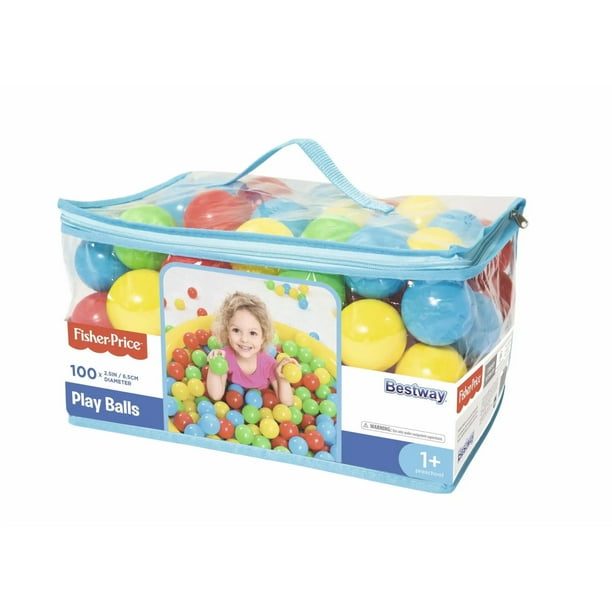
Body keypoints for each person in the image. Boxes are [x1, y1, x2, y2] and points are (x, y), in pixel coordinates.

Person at [206, 291, 298, 405]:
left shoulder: (269, 364)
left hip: (263, 408)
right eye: (236, 330)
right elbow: (216, 395)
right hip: (232, 404)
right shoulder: (224, 357)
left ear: (263, 337)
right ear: (227, 331)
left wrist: (282, 378)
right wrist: (214, 365)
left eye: (253, 333)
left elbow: (287, 402)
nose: (244, 339)